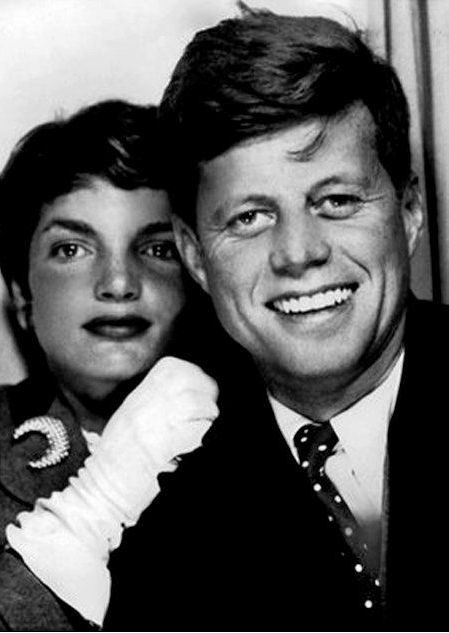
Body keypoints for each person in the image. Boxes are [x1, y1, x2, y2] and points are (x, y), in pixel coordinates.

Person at [108, 5, 446, 631]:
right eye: (249, 218)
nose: (297, 252)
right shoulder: (161, 509)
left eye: (336, 200)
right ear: (195, 257)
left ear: (408, 213)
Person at [0, 99, 218, 630]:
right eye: (72, 249)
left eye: (158, 249)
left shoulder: (278, 433)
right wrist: (97, 504)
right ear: (22, 294)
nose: (118, 284)